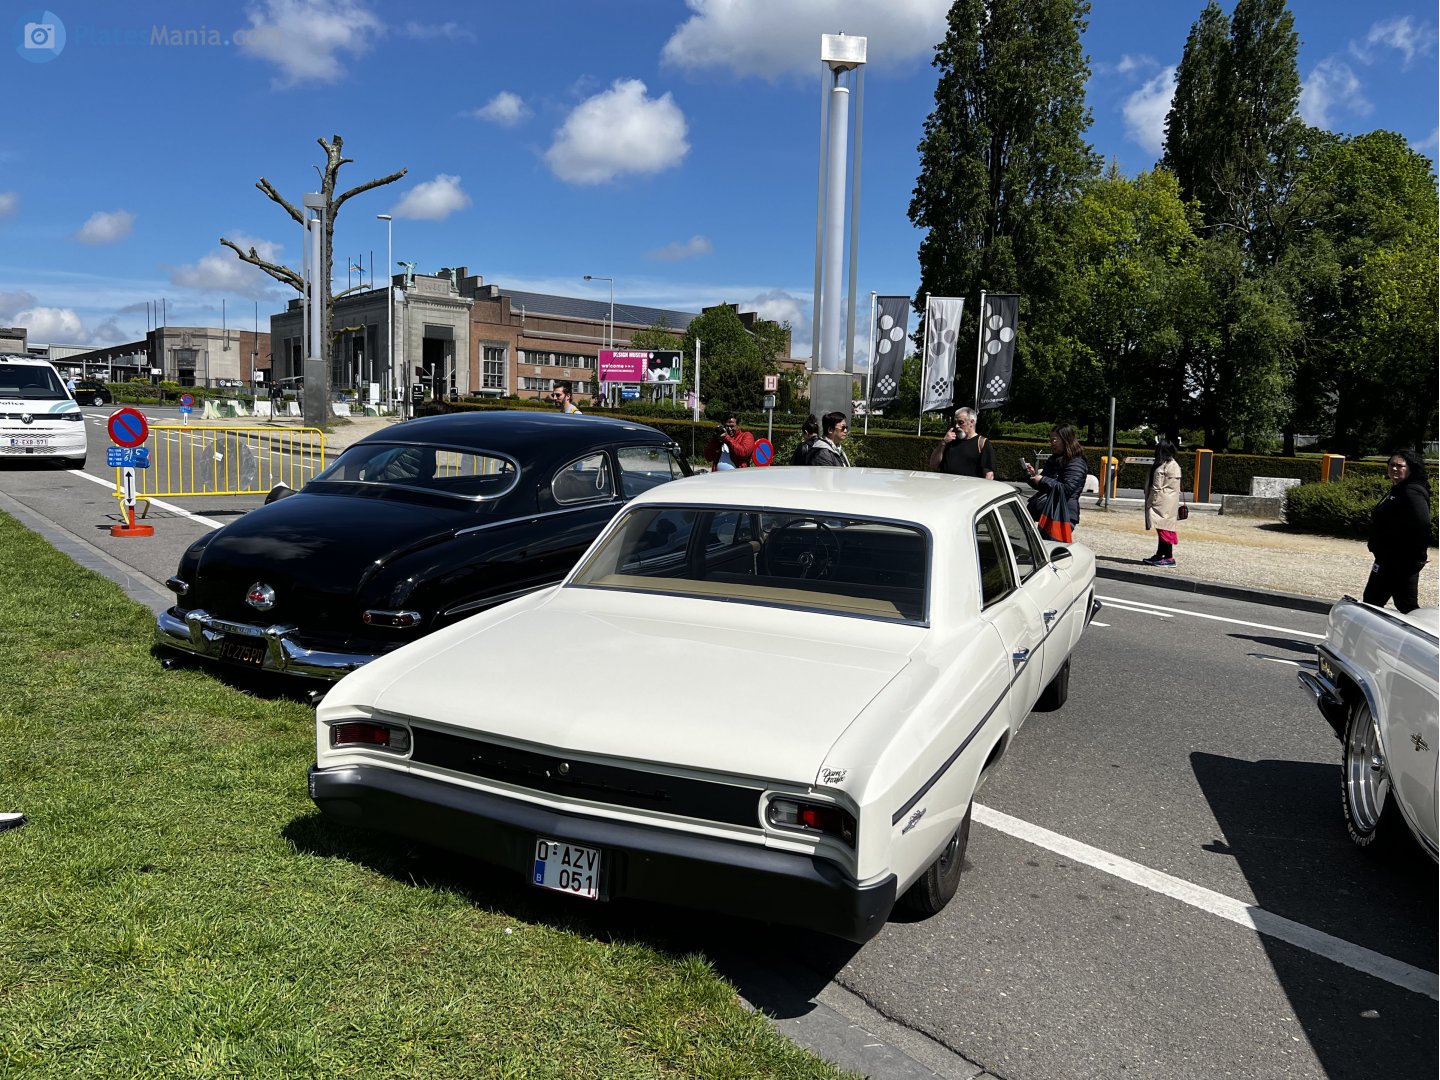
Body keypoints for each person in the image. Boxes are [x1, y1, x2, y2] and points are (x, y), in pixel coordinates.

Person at [1363, 448, 1432, 614]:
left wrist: (1419, 557)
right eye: (1391, 465)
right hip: (1389, 558)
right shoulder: (1400, 489)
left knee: (1376, 603)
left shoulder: (1411, 491)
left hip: (1399, 561)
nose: (1394, 469)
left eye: (1400, 466)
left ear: (1410, 468)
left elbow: (1423, 524)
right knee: (1398, 604)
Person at [1022, 424, 1088, 531]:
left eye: (1054, 440)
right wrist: (1032, 476)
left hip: (1062, 514)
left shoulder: (1076, 462)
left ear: (1066, 439)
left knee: (1053, 545)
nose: (1052, 443)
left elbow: (1067, 489)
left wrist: (1042, 479)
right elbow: (1044, 486)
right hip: (1048, 511)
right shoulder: (1054, 459)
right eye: (1050, 440)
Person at [1142, 438, 1182, 567]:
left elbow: (1156, 487)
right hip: (1170, 502)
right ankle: (1160, 555)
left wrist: (1150, 502)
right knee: (1165, 528)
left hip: (1160, 502)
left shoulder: (1162, 466)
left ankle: (1169, 558)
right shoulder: (1174, 464)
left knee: (1164, 530)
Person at [929, 406, 995, 479]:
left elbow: (989, 475)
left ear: (972, 422)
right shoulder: (950, 440)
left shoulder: (982, 443)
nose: (957, 426)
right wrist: (943, 443)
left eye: (961, 422)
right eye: (955, 422)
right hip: (946, 487)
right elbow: (933, 464)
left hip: (968, 489)